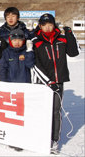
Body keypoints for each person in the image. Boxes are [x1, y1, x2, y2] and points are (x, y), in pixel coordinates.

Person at [32, 13, 79, 154]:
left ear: (54, 25)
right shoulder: (36, 41)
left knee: (55, 111)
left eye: (50, 24)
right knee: (42, 110)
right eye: (44, 24)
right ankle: (42, 137)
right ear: (40, 26)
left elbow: (73, 53)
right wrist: (47, 80)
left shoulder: (62, 39)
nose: (47, 27)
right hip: (43, 82)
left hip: (59, 81)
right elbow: (35, 63)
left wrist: (69, 34)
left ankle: (54, 140)